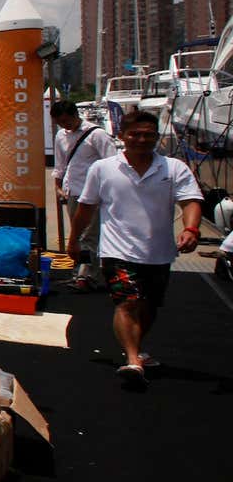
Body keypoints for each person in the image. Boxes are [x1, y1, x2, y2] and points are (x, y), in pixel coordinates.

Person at [67, 111, 202, 387]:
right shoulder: (103, 169)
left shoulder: (173, 168)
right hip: (116, 251)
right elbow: (86, 207)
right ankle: (132, 360)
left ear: (156, 137)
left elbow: (190, 200)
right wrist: (74, 239)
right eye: (135, 134)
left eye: (149, 135)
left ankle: (137, 349)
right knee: (128, 303)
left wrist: (191, 229)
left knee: (149, 307)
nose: (142, 140)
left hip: (159, 251)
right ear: (121, 136)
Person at [50, 99, 117, 289]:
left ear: (75, 115)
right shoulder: (61, 135)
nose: (65, 126)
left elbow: (112, 162)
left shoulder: (97, 134)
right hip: (73, 191)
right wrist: (57, 186)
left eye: (67, 121)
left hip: (93, 193)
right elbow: (60, 164)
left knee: (89, 235)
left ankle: (87, 276)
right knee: (77, 234)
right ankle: (82, 271)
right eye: (60, 123)